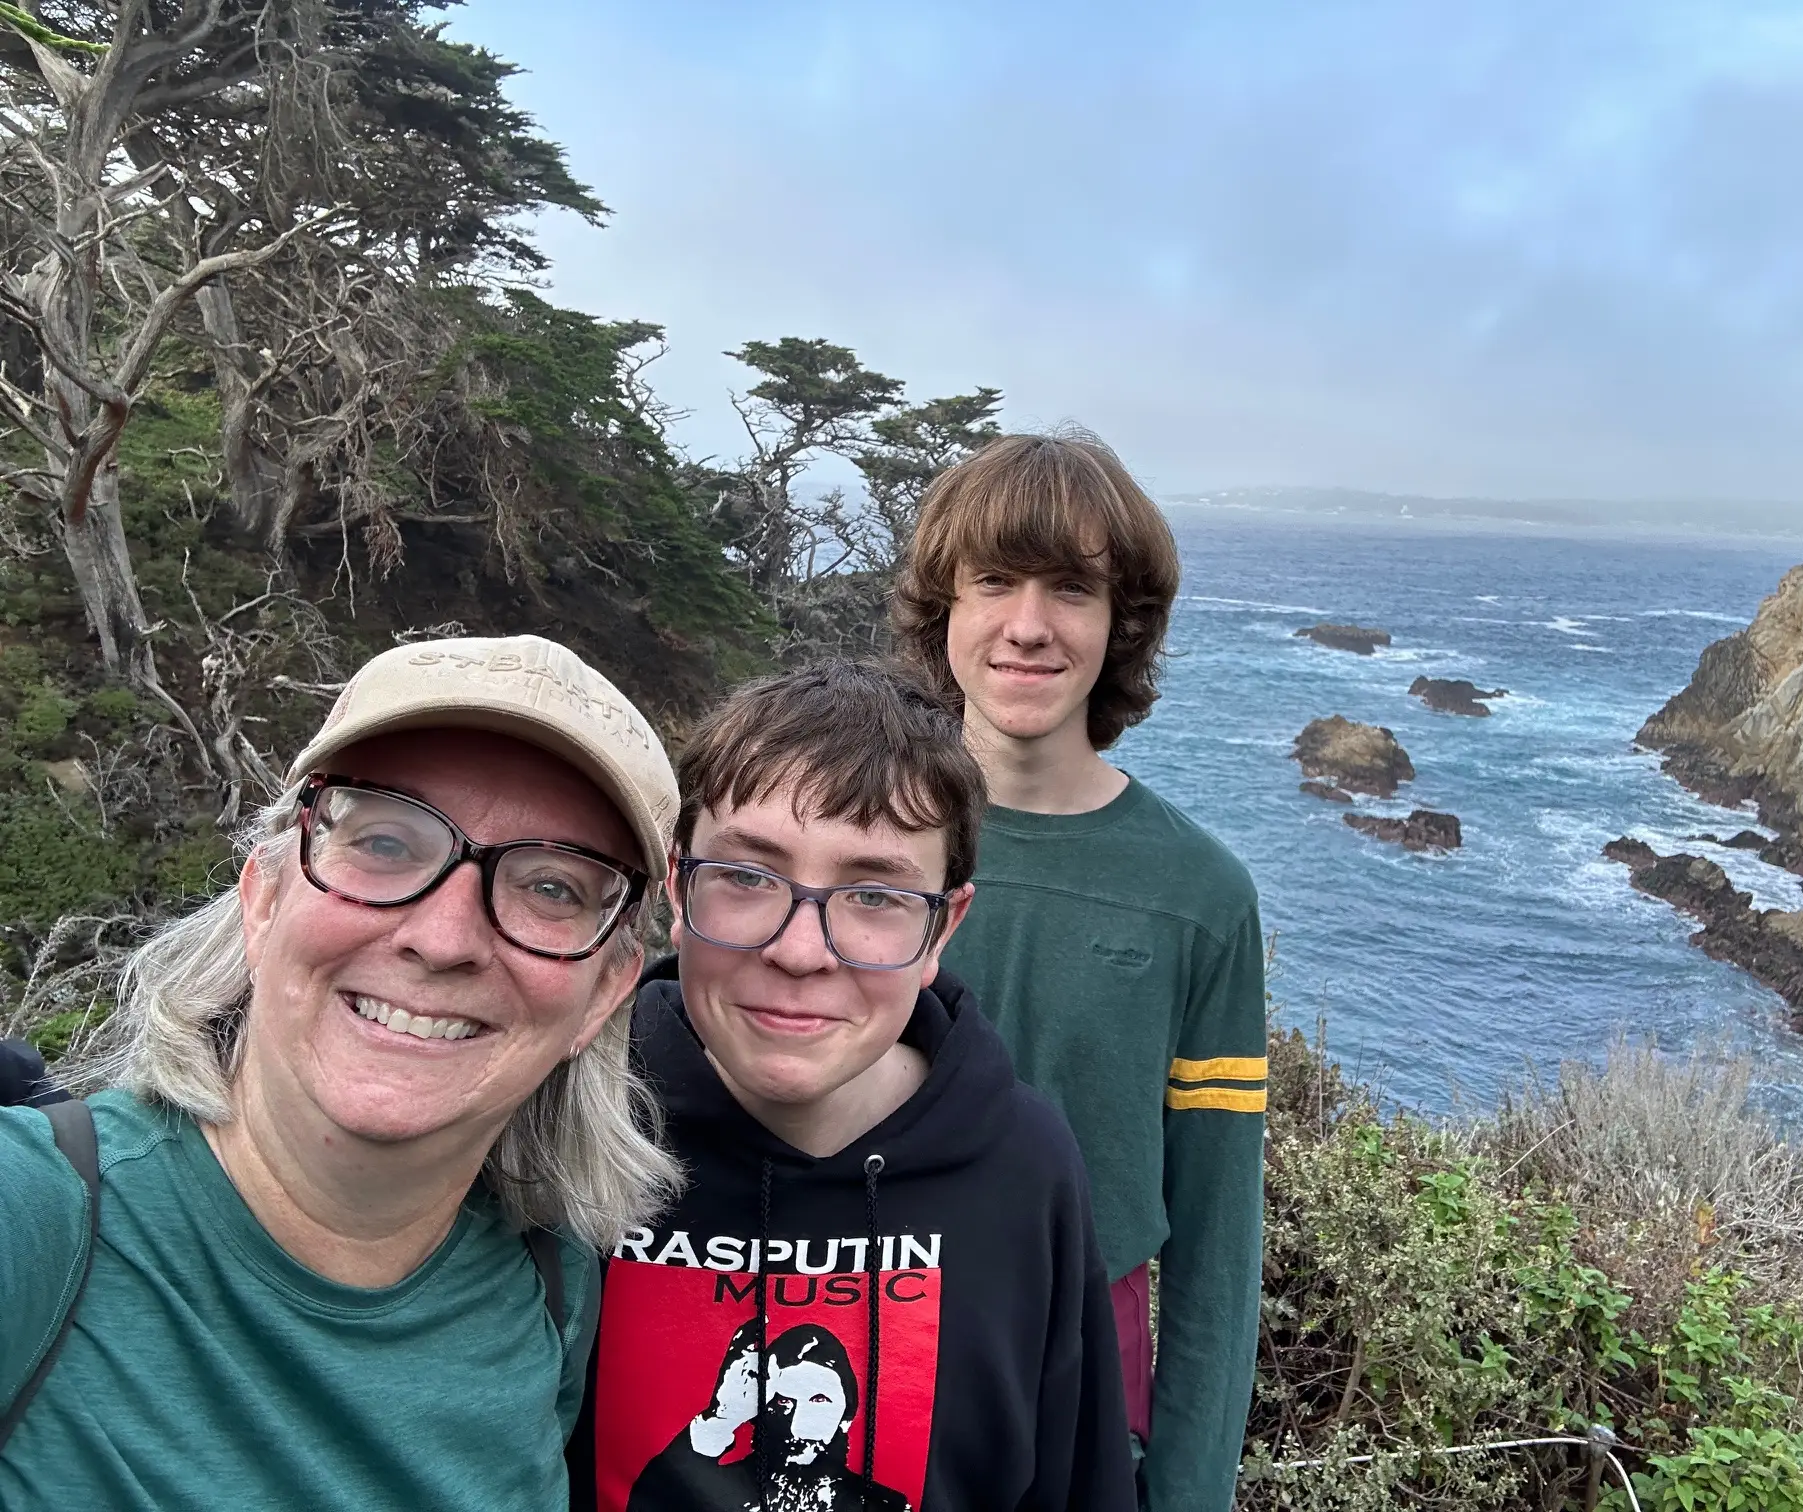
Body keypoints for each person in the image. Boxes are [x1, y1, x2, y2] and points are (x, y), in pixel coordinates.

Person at [0, 634, 682, 1509]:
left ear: (604, 993)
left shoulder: (549, 1288)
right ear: (264, 897)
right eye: (388, 842)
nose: (441, 938)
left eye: (551, 887)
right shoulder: (30, 1218)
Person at [572, 660, 1135, 1512]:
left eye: (875, 894)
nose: (801, 952)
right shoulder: (573, 1113)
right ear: (679, 889)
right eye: (748, 878)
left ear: (943, 925)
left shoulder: (1023, 1168)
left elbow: (1076, 1485)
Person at [893, 434, 1268, 1511]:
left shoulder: (1199, 894)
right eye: (994, 582)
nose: (1028, 624)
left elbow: (1215, 1236)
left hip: (1081, 1374)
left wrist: (1190, 1488)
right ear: (945, 611)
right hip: (846, 1327)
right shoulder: (857, 840)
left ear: (1122, 624)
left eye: (1072, 589)